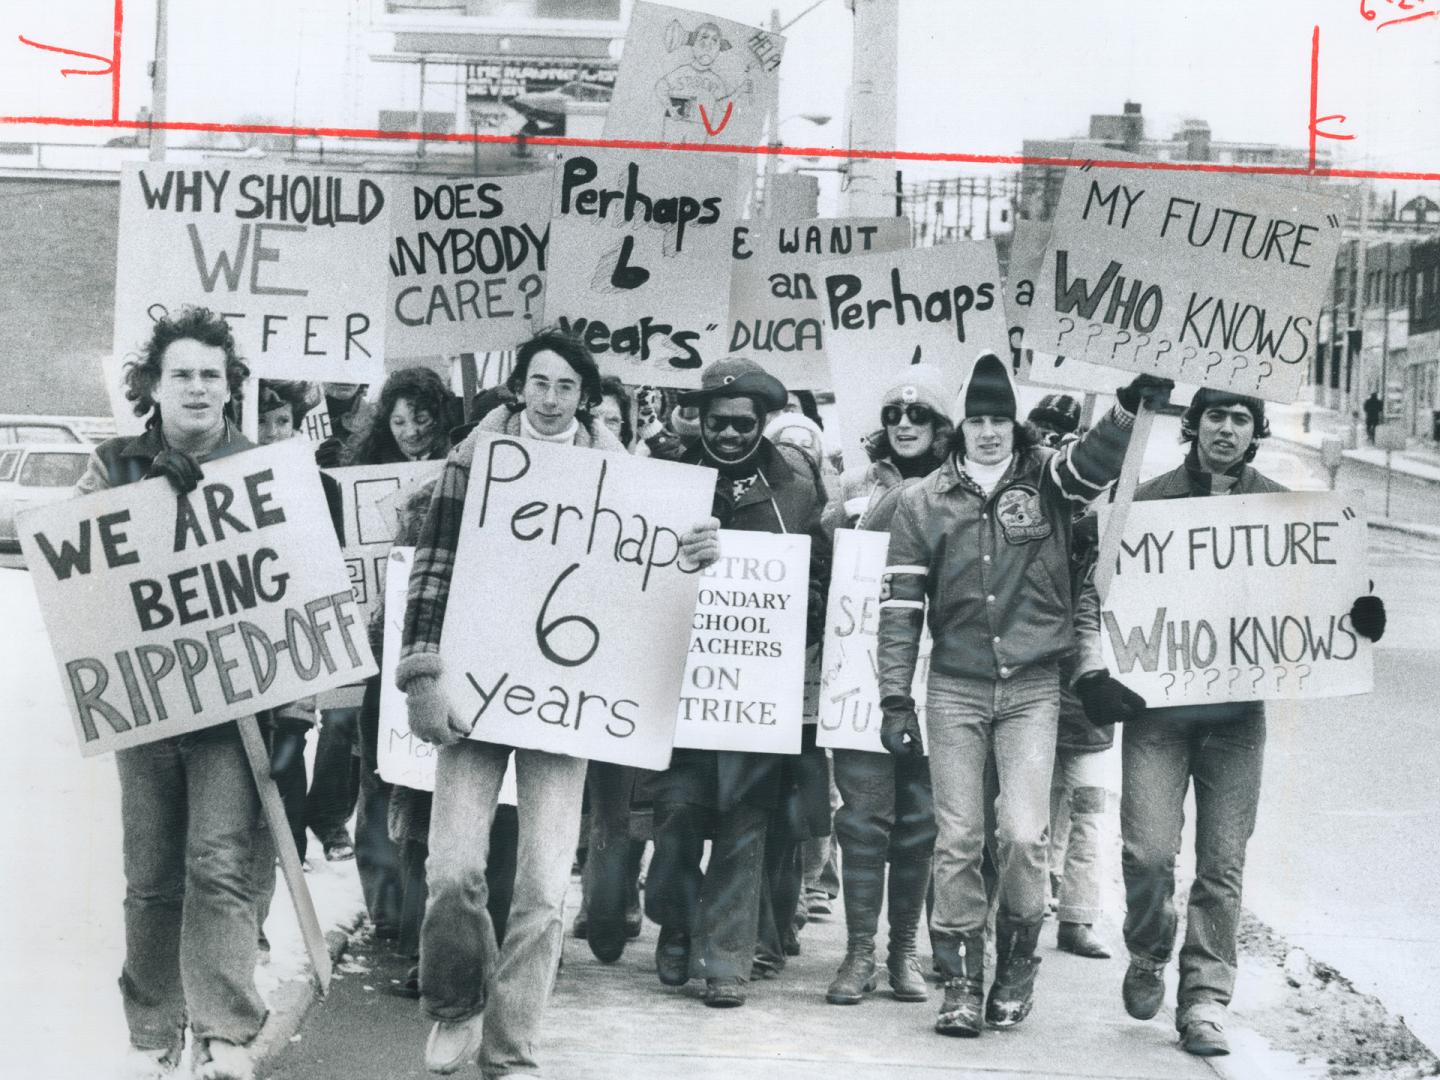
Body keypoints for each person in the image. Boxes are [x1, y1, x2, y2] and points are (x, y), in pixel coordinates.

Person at [395, 329, 719, 1075]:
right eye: (537, 384)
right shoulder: (474, 462)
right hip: (474, 691)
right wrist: (422, 674)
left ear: (586, 397)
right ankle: (455, 1004)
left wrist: (697, 551)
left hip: (562, 702)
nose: (549, 400)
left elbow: (654, 574)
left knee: (543, 888)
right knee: (452, 871)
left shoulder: (626, 480)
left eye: (565, 388)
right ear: (519, 388)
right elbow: (431, 570)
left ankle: (511, 1048)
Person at [876, 352, 1174, 1038]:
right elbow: (899, 610)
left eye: (998, 419)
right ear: (960, 426)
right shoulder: (922, 503)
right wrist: (895, 697)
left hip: (1033, 688)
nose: (987, 432)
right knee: (957, 837)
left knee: (1022, 836)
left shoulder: (1046, 481)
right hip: (953, 688)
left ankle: (1015, 965)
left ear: (1013, 423)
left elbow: (1095, 462)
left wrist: (1128, 405)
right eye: (975, 420)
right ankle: (959, 981)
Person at [1114, 388, 1388, 1057]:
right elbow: (1105, 593)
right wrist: (1101, 672)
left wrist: (1362, 616)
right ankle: (1149, 949)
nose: (1227, 429)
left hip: (1237, 720)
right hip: (1158, 712)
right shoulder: (1145, 503)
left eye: (1240, 419)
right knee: (1148, 853)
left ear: (1256, 431)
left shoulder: (1284, 511)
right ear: (1194, 425)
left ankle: (1204, 999)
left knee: (1223, 863)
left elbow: (1323, 598)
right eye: (1216, 416)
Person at [75, 307, 267, 1080]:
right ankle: (154, 1027)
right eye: (181, 373)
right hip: (146, 702)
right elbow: (72, 565)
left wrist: (294, 714)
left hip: (233, 712)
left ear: (230, 388)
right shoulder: (113, 461)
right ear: (152, 386)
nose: (196, 387)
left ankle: (223, 1029)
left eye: (210, 375)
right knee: (151, 875)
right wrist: (145, 500)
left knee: (218, 863)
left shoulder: (264, 467)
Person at [646, 356, 831, 1010]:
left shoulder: (797, 488)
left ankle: (726, 961)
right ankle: (673, 919)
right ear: (701, 419)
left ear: (763, 422)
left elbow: (818, 572)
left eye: (741, 424)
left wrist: (803, 607)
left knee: (745, 825)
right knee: (675, 820)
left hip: (756, 694)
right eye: (716, 423)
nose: (727, 435)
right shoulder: (670, 478)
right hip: (678, 688)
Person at [821, 368, 953, 1007]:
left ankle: (903, 951)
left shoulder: (961, 490)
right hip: (860, 672)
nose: (905, 426)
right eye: (895, 417)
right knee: (863, 818)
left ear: (940, 429)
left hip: (934, 672)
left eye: (919, 418)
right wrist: (883, 494)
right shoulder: (854, 486)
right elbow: (831, 552)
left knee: (921, 821)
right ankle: (858, 952)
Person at [346, 367, 455, 947]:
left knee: (423, 778)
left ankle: (417, 904)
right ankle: (384, 907)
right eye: (399, 420)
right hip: (377, 647)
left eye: (422, 418)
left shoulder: (461, 472)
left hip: (428, 646)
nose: (411, 430)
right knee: (378, 772)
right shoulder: (365, 481)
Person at [1025, 394, 1114, 961]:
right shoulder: (1025, 509)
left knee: (1087, 808)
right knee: (1030, 811)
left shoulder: (1110, 518)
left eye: (1067, 435)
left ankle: (1078, 916)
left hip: (1090, 693)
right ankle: (1030, 908)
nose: (1057, 445)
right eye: (1046, 435)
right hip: (1032, 688)